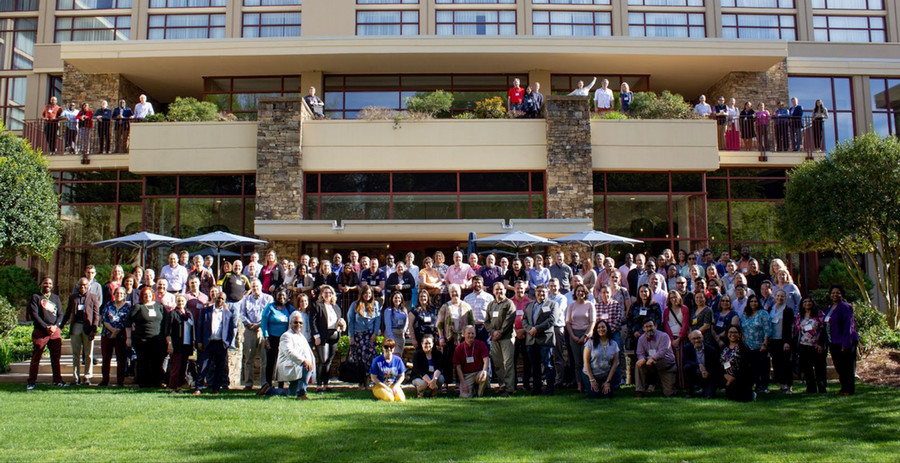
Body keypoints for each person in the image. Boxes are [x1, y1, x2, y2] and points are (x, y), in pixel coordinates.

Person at [258, 311, 315, 399]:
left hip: (296, 365)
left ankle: (268, 390)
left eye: (301, 323)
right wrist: (304, 361)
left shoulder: (301, 336)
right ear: (290, 323)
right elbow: (289, 352)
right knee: (306, 367)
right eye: (296, 322)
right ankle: (301, 394)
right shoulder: (286, 335)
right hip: (288, 365)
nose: (298, 324)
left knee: (291, 393)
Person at [60, 277, 102, 385]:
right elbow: (68, 312)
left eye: (84, 285)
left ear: (88, 286)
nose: (82, 287)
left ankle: (87, 376)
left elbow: (96, 315)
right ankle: (76, 376)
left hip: (88, 327)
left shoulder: (93, 297)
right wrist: (61, 325)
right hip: (76, 327)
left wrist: (94, 329)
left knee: (88, 354)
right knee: (76, 354)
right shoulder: (73, 297)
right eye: (80, 285)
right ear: (77, 286)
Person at [27, 277, 66, 390]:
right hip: (40, 331)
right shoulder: (36, 297)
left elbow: (61, 314)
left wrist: (55, 326)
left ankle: (58, 380)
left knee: (56, 357)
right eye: (45, 283)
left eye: (49, 283)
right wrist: (45, 327)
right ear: (41, 284)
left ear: (52, 286)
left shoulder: (56, 298)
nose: (47, 285)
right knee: (36, 356)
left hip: (54, 331)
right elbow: (34, 315)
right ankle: (32, 381)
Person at [194, 289, 235, 395]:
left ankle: (216, 388)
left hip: (221, 343)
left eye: (222, 299)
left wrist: (228, 343)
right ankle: (198, 387)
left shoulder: (228, 314)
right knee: (203, 365)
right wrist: (199, 341)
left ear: (225, 301)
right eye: (219, 297)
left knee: (219, 367)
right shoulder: (206, 311)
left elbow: (230, 330)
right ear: (215, 298)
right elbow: (200, 327)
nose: (220, 300)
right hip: (208, 342)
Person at [523, 285, 560, 395]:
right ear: (535, 292)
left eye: (543, 292)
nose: (541, 294)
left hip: (545, 340)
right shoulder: (529, 305)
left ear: (547, 293)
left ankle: (549, 389)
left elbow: (552, 319)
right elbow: (524, 320)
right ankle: (536, 389)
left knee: (548, 365)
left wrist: (537, 329)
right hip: (531, 340)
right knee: (535, 367)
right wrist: (530, 329)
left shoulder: (553, 304)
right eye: (539, 291)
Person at [126, 286, 166, 388]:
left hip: (157, 339)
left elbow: (165, 322)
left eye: (149, 294)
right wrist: (128, 337)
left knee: (157, 362)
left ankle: (156, 382)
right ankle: (143, 383)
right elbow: (128, 322)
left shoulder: (159, 306)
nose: (147, 296)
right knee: (143, 362)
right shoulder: (138, 307)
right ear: (141, 296)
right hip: (141, 340)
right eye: (145, 295)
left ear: (152, 295)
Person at [437, 284, 474, 384]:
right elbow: (439, 324)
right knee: (447, 361)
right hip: (449, 338)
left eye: (456, 291)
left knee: (461, 361)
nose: (454, 293)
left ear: (460, 292)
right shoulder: (445, 306)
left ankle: (460, 383)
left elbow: (471, 323)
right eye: (452, 292)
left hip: (462, 338)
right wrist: (441, 337)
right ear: (449, 293)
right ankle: (447, 383)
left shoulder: (467, 306)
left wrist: (470, 335)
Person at [309, 285, 343, 392]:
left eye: (330, 293)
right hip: (322, 336)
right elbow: (313, 322)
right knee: (323, 360)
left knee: (329, 361)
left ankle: (326, 384)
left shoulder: (336, 307)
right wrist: (316, 336)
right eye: (325, 292)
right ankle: (319, 385)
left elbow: (339, 320)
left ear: (333, 294)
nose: (328, 294)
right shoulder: (317, 305)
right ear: (321, 294)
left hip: (334, 335)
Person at [825, 285, 858, 396]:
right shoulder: (830, 307)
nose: (835, 295)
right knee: (839, 366)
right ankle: (843, 388)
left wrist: (846, 343)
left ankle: (849, 390)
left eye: (838, 293)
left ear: (842, 295)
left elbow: (849, 326)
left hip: (845, 341)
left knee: (847, 367)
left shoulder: (845, 307)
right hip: (833, 341)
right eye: (833, 293)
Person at [485, 281, 516, 396]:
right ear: (493, 291)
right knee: (498, 363)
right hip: (494, 339)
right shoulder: (491, 305)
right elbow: (487, 321)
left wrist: (500, 332)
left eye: (501, 289)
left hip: (507, 338)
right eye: (497, 289)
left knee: (507, 363)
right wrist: (493, 332)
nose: (499, 291)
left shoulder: (509, 304)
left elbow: (509, 320)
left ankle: (509, 388)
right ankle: (502, 385)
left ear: (505, 290)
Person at [348, 286, 382, 389]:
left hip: (370, 335)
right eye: (365, 293)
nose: (367, 295)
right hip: (358, 335)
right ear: (362, 294)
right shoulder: (355, 305)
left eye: (369, 293)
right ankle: (361, 382)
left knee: (370, 359)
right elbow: (350, 321)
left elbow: (377, 320)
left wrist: (375, 334)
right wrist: (351, 336)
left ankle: (368, 382)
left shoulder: (375, 304)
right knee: (360, 359)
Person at [241, 279, 272, 389]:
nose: (255, 289)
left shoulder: (268, 298)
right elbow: (242, 314)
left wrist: (259, 325)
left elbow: (269, 314)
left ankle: (264, 383)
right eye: (253, 287)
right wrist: (250, 325)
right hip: (250, 331)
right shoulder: (246, 300)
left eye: (257, 286)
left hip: (264, 331)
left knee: (264, 359)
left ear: (261, 287)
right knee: (249, 358)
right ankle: (248, 383)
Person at [566, 283, 596, 393]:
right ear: (575, 293)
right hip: (574, 334)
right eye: (578, 291)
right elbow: (568, 322)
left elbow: (593, 322)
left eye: (582, 291)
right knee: (577, 362)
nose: (580, 293)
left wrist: (586, 335)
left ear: (585, 293)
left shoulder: (590, 305)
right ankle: (579, 385)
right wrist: (573, 336)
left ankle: (588, 382)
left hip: (586, 334)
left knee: (586, 361)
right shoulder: (571, 306)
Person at [635, 319, 677, 397]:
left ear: (656, 326)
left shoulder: (664, 336)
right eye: (646, 327)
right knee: (639, 364)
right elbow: (640, 353)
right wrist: (642, 359)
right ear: (643, 329)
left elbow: (662, 352)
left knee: (669, 393)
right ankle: (639, 391)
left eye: (651, 326)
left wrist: (650, 358)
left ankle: (661, 384)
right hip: (651, 365)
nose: (649, 328)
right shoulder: (641, 339)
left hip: (666, 366)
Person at [260, 289, 294, 387]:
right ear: (275, 296)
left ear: (287, 297)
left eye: (283, 296)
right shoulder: (270, 307)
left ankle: (281, 385)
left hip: (284, 340)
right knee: (270, 362)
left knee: (282, 362)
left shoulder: (289, 308)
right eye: (279, 296)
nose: (281, 298)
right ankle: (268, 384)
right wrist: (266, 338)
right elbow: (264, 322)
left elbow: (296, 315)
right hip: (271, 338)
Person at [98, 286, 130, 387]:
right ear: (114, 294)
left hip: (121, 336)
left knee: (121, 359)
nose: (119, 295)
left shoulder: (128, 306)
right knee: (106, 358)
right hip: (107, 335)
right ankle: (105, 380)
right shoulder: (108, 304)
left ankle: (120, 381)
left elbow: (127, 321)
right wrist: (112, 330)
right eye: (117, 293)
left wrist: (117, 332)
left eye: (121, 293)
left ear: (124, 295)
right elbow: (104, 319)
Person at [740, 295, 771, 393]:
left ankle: (764, 386)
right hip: (748, 346)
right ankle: (755, 385)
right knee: (752, 368)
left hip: (760, 345)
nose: (753, 303)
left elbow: (767, 330)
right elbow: (742, 329)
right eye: (751, 301)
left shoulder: (763, 313)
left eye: (755, 301)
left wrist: (765, 344)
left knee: (762, 367)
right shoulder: (745, 314)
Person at [582, 320, 619, 398]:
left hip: (605, 375)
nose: (601, 329)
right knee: (594, 396)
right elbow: (586, 361)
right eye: (598, 327)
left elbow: (615, 364)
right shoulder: (590, 342)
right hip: (591, 375)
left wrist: (608, 381)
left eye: (603, 327)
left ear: (607, 329)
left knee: (607, 395)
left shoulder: (614, 344)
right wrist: (592, 380)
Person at [164, 294, 193, 393]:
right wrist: (170, 343)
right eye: (179, 301)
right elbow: (168, 330)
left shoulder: (189, 314)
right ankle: (172, 386)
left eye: (182, 301)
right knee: (175, 366)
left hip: (187, 344)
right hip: (177, 344)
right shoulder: (172, 314)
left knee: (183, 366)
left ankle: (179, 386)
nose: (181, 303)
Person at [768, 289, 796, 394]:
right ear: (774, 297)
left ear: (785, 298)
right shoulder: (771, 308)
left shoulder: (788, 310)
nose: (779, 298)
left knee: (786, 363)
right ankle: (782, 384)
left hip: (783, 340)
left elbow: (790, 327)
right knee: (777, 363)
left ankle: (789, 385)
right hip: (773, 340)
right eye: (778, 296)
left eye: (782, 296)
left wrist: (787, 342)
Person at [662, 290, 690, 390]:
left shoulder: (684, 309)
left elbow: (685, 324)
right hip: (671, 339)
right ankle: (673, 385)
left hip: (681, 338)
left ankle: (683, 385)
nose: (673, 299)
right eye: (671, 298)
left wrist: (679, 338)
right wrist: (671, 339)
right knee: (672, 362)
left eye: (675, 297)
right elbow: (666, 325)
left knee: (681, 362)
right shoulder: (666, 311)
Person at [453, 325, 490, 398]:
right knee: (464, 396)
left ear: (475, 334)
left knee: (485, 376)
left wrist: (484, 370)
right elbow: (458, 367)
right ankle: (473, 389)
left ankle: (479, 394)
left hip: (478, 373)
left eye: (473, 333)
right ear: (464, 334)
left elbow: (486, 359)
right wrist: (463, 383)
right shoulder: (459, 348)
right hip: (467, 375)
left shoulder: (481, 344)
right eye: (468, 333)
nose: (471, 335)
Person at [721, 325, 754, 402]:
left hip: (740, 377)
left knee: (738, 397)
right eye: (730, 332)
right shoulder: (724, 347)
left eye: (735, 332)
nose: (732, 334)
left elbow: (746, 366)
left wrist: (733, 377)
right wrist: (725, 375)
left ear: (739, 334)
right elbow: (720, 364)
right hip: (726, 376)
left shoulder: (743, 348)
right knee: (730, 396)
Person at [683, 330, 720, 399]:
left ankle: (706, 389)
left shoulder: (711, 349)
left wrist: (708, 373)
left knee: (708, 396)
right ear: (690, 340)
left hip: (708, 376)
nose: (697, 340)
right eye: (694, 339)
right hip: (695, 374)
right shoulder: (687, 348)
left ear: (702, 338)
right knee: (687, 367)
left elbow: (716, 367)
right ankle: (690, 391)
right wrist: (699, 365)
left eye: (698, 338)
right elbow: (685, 361)